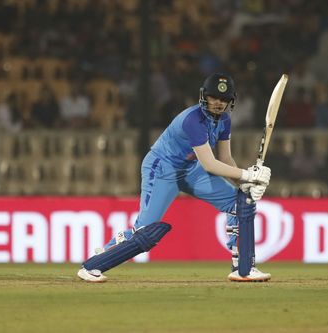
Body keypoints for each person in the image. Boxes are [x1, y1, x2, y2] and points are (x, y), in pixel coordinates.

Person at [77, 73, 272, 283]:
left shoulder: (224, 120)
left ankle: (242, 268)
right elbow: (211, 164)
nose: (218, 103)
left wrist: (245, 184)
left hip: (191, 168)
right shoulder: (193, 120)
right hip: (162, 168)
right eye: (214, 97)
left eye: (223, 99)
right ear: (204, 97)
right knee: (144, 232)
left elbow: (225, 158)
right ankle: (95, 263)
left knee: (238, 203)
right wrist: (247, 174)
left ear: (230, 102)